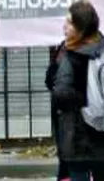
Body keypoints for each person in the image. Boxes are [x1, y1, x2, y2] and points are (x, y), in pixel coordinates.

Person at [51, 1, 104, 181]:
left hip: (78, 138)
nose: (64, 25)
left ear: (80, 27)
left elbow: (60, 93)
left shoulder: (69, 54)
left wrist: (84, 100)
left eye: (69, 22)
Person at [45, 40, 70, 181]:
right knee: (65, 151)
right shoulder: (62, 52)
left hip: (64, 111)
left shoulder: (65, 52)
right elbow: (49, 81)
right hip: (61, 111)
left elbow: (49, 81)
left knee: (66, 152)